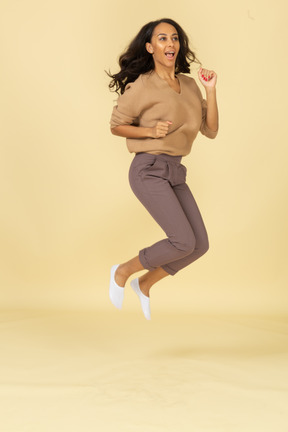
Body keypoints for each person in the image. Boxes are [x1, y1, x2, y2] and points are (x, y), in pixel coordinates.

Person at [107, 18, 219, 320]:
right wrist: (149, 132)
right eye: (162, 39)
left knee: (199, 245)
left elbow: (211, 131)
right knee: (182, 240)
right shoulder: (143, 85)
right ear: (150, 47)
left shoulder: (190, 85)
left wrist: (210, 90)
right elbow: (117, 126)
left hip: (175, 171)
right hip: (148, 169)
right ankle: (123, 270)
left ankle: (145, 283)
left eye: (174, 38)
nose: (170, 44)